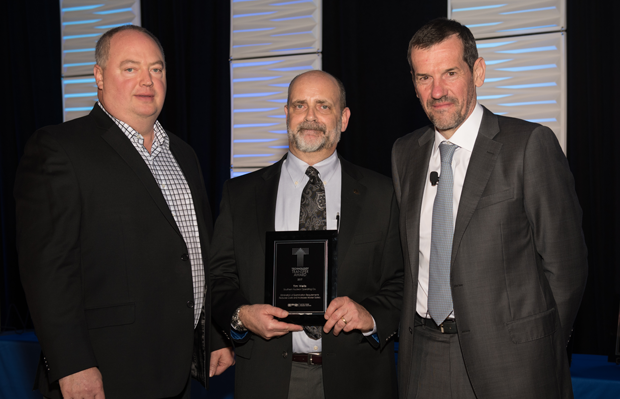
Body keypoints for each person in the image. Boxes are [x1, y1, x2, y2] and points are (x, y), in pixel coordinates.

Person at [15, 25, 233, 399]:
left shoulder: (183, 154)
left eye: (157, 69)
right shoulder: (59, 148)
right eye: (130, 68)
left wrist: (211, 335)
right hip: (104, 374)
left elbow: (197, 254)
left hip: (178, 370)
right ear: (99, 75)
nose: (147, 80)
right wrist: (72, 365)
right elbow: (48, 269)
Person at [391, 18, 588, 399]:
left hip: (513, 364)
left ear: (477, 71)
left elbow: (567, 266)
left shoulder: (528, 144)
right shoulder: (405, 154)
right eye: (424, 78)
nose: (437, 91)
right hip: (424, 357)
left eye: (450, 73)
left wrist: (538, 348)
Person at [209, 70, 403, 399]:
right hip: (267, 380)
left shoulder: (383, 194)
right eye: (300, 105)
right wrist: (242, 316)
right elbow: (217, 278)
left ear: (343, 119)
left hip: (358, 379)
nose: (310, 116)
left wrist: (369, 315)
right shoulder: (240, 194)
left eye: (323, 106)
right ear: (286, 114)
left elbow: (401, 280)